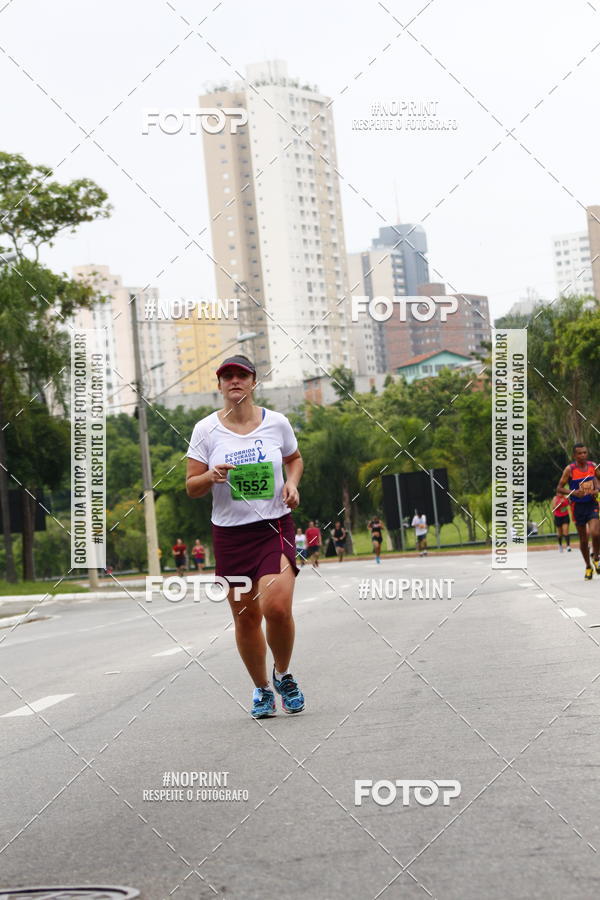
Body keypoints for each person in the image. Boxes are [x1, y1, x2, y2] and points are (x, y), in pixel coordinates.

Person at [185, 354, 305, 719]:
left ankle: (282, 673)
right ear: (219, 385)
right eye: (228, 376)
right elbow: (191, 486)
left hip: (273, 526)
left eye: (242, 375)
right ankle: (262, 689)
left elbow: (294, 459)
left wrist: (292, 484)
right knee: (247, 617)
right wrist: (211, 476)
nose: (235, 381)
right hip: (231, 535)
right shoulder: (206, 430)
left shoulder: (277, 423)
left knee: (277, 608)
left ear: (254, 382)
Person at [556, 443, 600, 579]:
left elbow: (598, 481)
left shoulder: (593, 466)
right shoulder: (570, 469)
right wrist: (573, 492)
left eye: (585, 452)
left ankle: (596, 558)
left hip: (591, 504)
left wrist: (596, 490)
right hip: (577, 507)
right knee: (583, 540)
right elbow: (559, 488)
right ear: (574, 455)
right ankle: (588, 566)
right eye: (580, 453)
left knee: (596, 532)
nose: (583, 455)